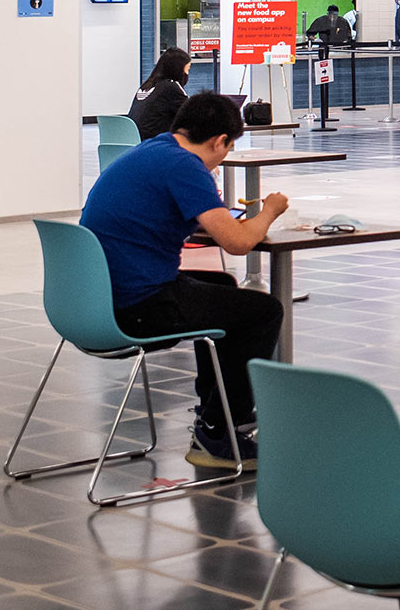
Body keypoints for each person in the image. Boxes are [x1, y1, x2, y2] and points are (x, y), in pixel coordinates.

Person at [79, 91, 287, 469]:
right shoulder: (186, 167)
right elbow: (238, 242)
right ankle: (223, 431)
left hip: (96, 299)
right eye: (227, 148)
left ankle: (214, 415)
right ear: (219, 141)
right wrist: (269, 211)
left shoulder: (153, 151)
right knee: (263, 310)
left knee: (223, 288)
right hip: (136, 307)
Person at [128, 47, 191, 141]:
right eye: (188, 69)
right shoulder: (170, 87)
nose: (187, 73)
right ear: (178, 69)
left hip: (134, 141)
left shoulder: (146, 86)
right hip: (154, 142)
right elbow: (191, 113)